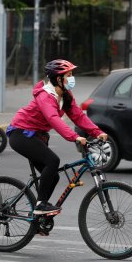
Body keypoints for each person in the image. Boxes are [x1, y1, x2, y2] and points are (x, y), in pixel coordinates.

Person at [7, 59, 107, 215]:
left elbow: (78, 116)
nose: (72, 78)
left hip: (38, 136)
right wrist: (74, 137)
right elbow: (53, 118)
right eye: (69, 75)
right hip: (21, 134)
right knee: (53, 161)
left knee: (53, 177)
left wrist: (97, 132)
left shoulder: (65, 95)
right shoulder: (45, 96)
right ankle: (40, 206)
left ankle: (40, 215)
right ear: (58, 79)